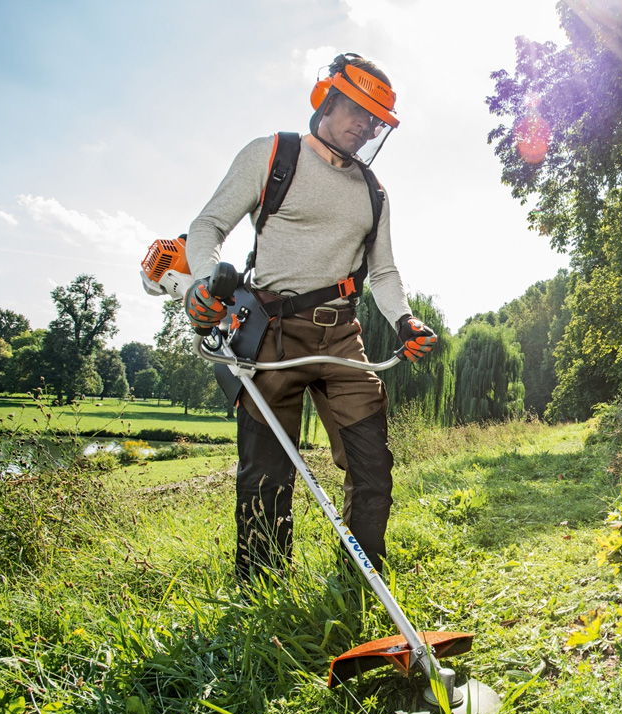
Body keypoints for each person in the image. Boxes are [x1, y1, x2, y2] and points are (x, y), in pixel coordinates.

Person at [183, 53, 437, 582]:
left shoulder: (374, 192)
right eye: (356, 110)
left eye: (373, 120)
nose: (364, 126)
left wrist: (405, 321)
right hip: (271, 334)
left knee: (373, 466)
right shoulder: (274, 155)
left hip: (343, 337)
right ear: (326, 98)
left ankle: (359, 583)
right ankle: (262, 589)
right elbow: (208, 225)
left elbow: (383, 272)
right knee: (266, 476)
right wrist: (208, 280)